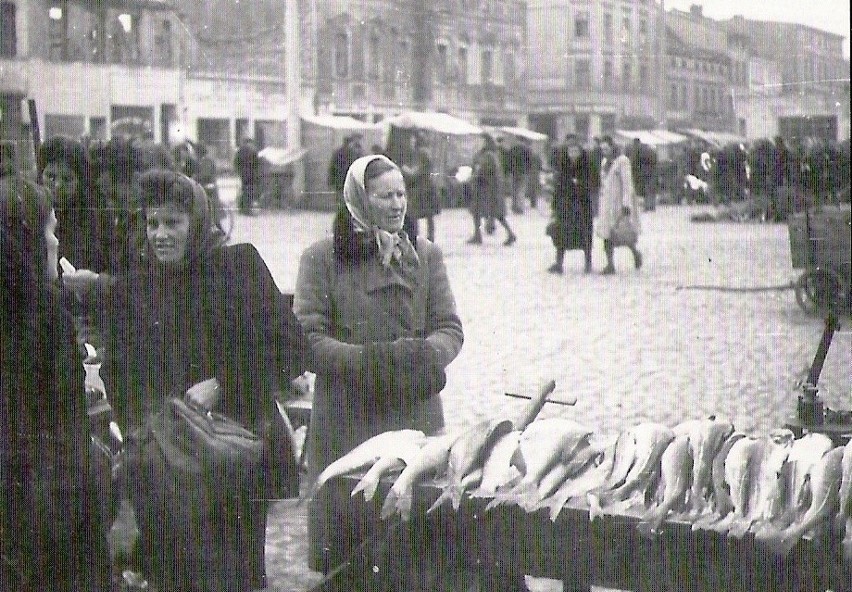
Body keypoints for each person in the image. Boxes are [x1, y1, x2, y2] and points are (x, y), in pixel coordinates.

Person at [95, 169, 307, 591]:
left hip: (228, 455)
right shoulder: (136, 285)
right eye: (152, 222)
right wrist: (143, 423)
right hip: (164, 466)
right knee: (172, 574)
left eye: (172, 222)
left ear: (197, 221)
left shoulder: (237, 266)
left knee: (232, 575)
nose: (160, 234)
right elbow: (115, 367)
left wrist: (223, 383)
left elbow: (291, 349)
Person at [293, 154, 464, 572]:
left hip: (414, 416)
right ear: (358, 198)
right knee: (350, 551)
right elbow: (305, 340)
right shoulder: (321, 258)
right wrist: (368, 361)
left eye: (401, 193)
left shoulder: (424, 255)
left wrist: (426, 354)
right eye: (384, 195)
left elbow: (449, 327)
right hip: (347, 420)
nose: (397, 204)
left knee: (412, 550)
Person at [0, 171, 113, 591]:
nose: (56, 242)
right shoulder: (43, 314)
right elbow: (62, 427)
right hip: (44, 502)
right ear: (26, 240)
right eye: (51, 231)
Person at [38, 136, 109, 274]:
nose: (58, 186)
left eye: (67, 179)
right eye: (51, 177)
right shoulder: (29, 213)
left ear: (80, 182)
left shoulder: (95, 219)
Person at [595, 135, 642, 274]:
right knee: (606, 234)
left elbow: (628, 184)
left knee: (622, 233)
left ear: (612, 146)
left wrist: (626, 204)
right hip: (606, 203)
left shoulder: (622, 161)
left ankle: (635, 253)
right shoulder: (604, 162)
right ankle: (610, 265)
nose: (604, 151)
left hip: (618, 203)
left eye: (606, 148)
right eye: (602, 149)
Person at [548, 134, 594, 274]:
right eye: (570, 152)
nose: (573, 154)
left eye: (575, 152)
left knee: (584, 235)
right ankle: (559, 263)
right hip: (565, 206)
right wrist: (554, 206)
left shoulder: (586, 167)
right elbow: (558, 187)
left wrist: (580, 184)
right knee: (561, 235)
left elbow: (593, 183)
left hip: (581, 206)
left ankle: (587, 263)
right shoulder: (563, 167)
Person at [467, 134, 517, 246]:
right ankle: (478, 234)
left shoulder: (488, 155)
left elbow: (484, 170)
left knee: (491, 213)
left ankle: (509, 234)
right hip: (485, 188)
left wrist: (474, 176)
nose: (478, 142)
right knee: (484, 213)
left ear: (486, 142)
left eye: (480, 140)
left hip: (487, 189)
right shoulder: (487, 154)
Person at [400, 130, 439, 242]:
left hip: (422, 189)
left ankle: (415, 237)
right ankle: (430, 237)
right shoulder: (424, 152)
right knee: (428, 216)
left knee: (414, 214)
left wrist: (405, 170)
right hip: (427, 187)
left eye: (412, 139)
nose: (410, 142)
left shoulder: (421, 153)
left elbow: (417, 172)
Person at [328, 134, 364, 205]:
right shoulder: (347, 153)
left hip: (343, 182)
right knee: (345, 202)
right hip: (343, 182)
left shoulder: (353, 152)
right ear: (349, 143)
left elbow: (332, 168)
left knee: (346, 202)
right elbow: (334, 168)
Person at [234, 137, 262, 215]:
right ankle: (247, 210)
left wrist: (239, 172)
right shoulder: (253, 151)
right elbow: (257, 164)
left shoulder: (240, 151)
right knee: (250, 192)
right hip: (251, 175)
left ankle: (242, 209)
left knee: (244, 191)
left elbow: (236, 162)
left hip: (243, 175)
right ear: (249, 143)